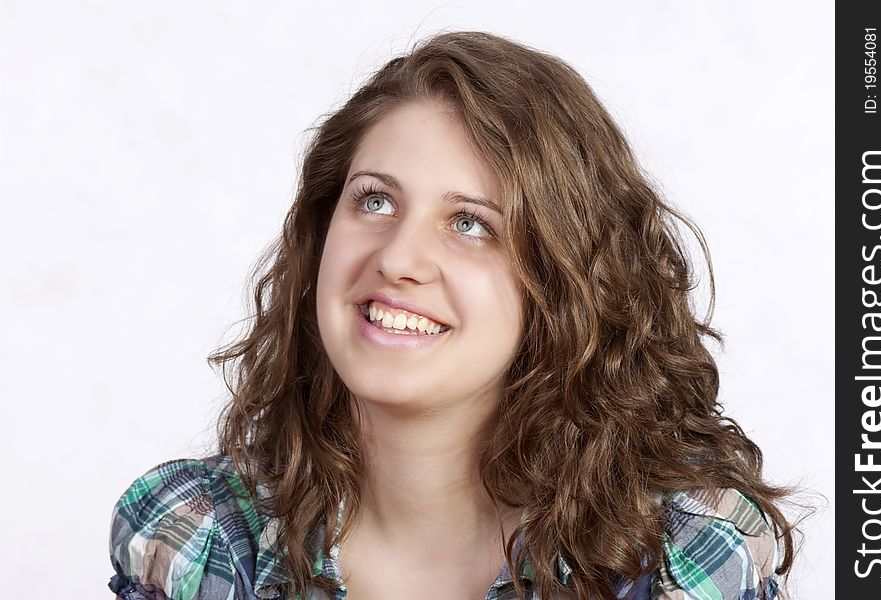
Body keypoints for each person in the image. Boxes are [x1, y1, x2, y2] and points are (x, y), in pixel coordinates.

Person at [108, 31, 796, 600]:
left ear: (562, 283)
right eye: (374, 201)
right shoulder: (198, 535)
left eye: (469, 223)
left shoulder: (682, 554)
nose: (398, 259)